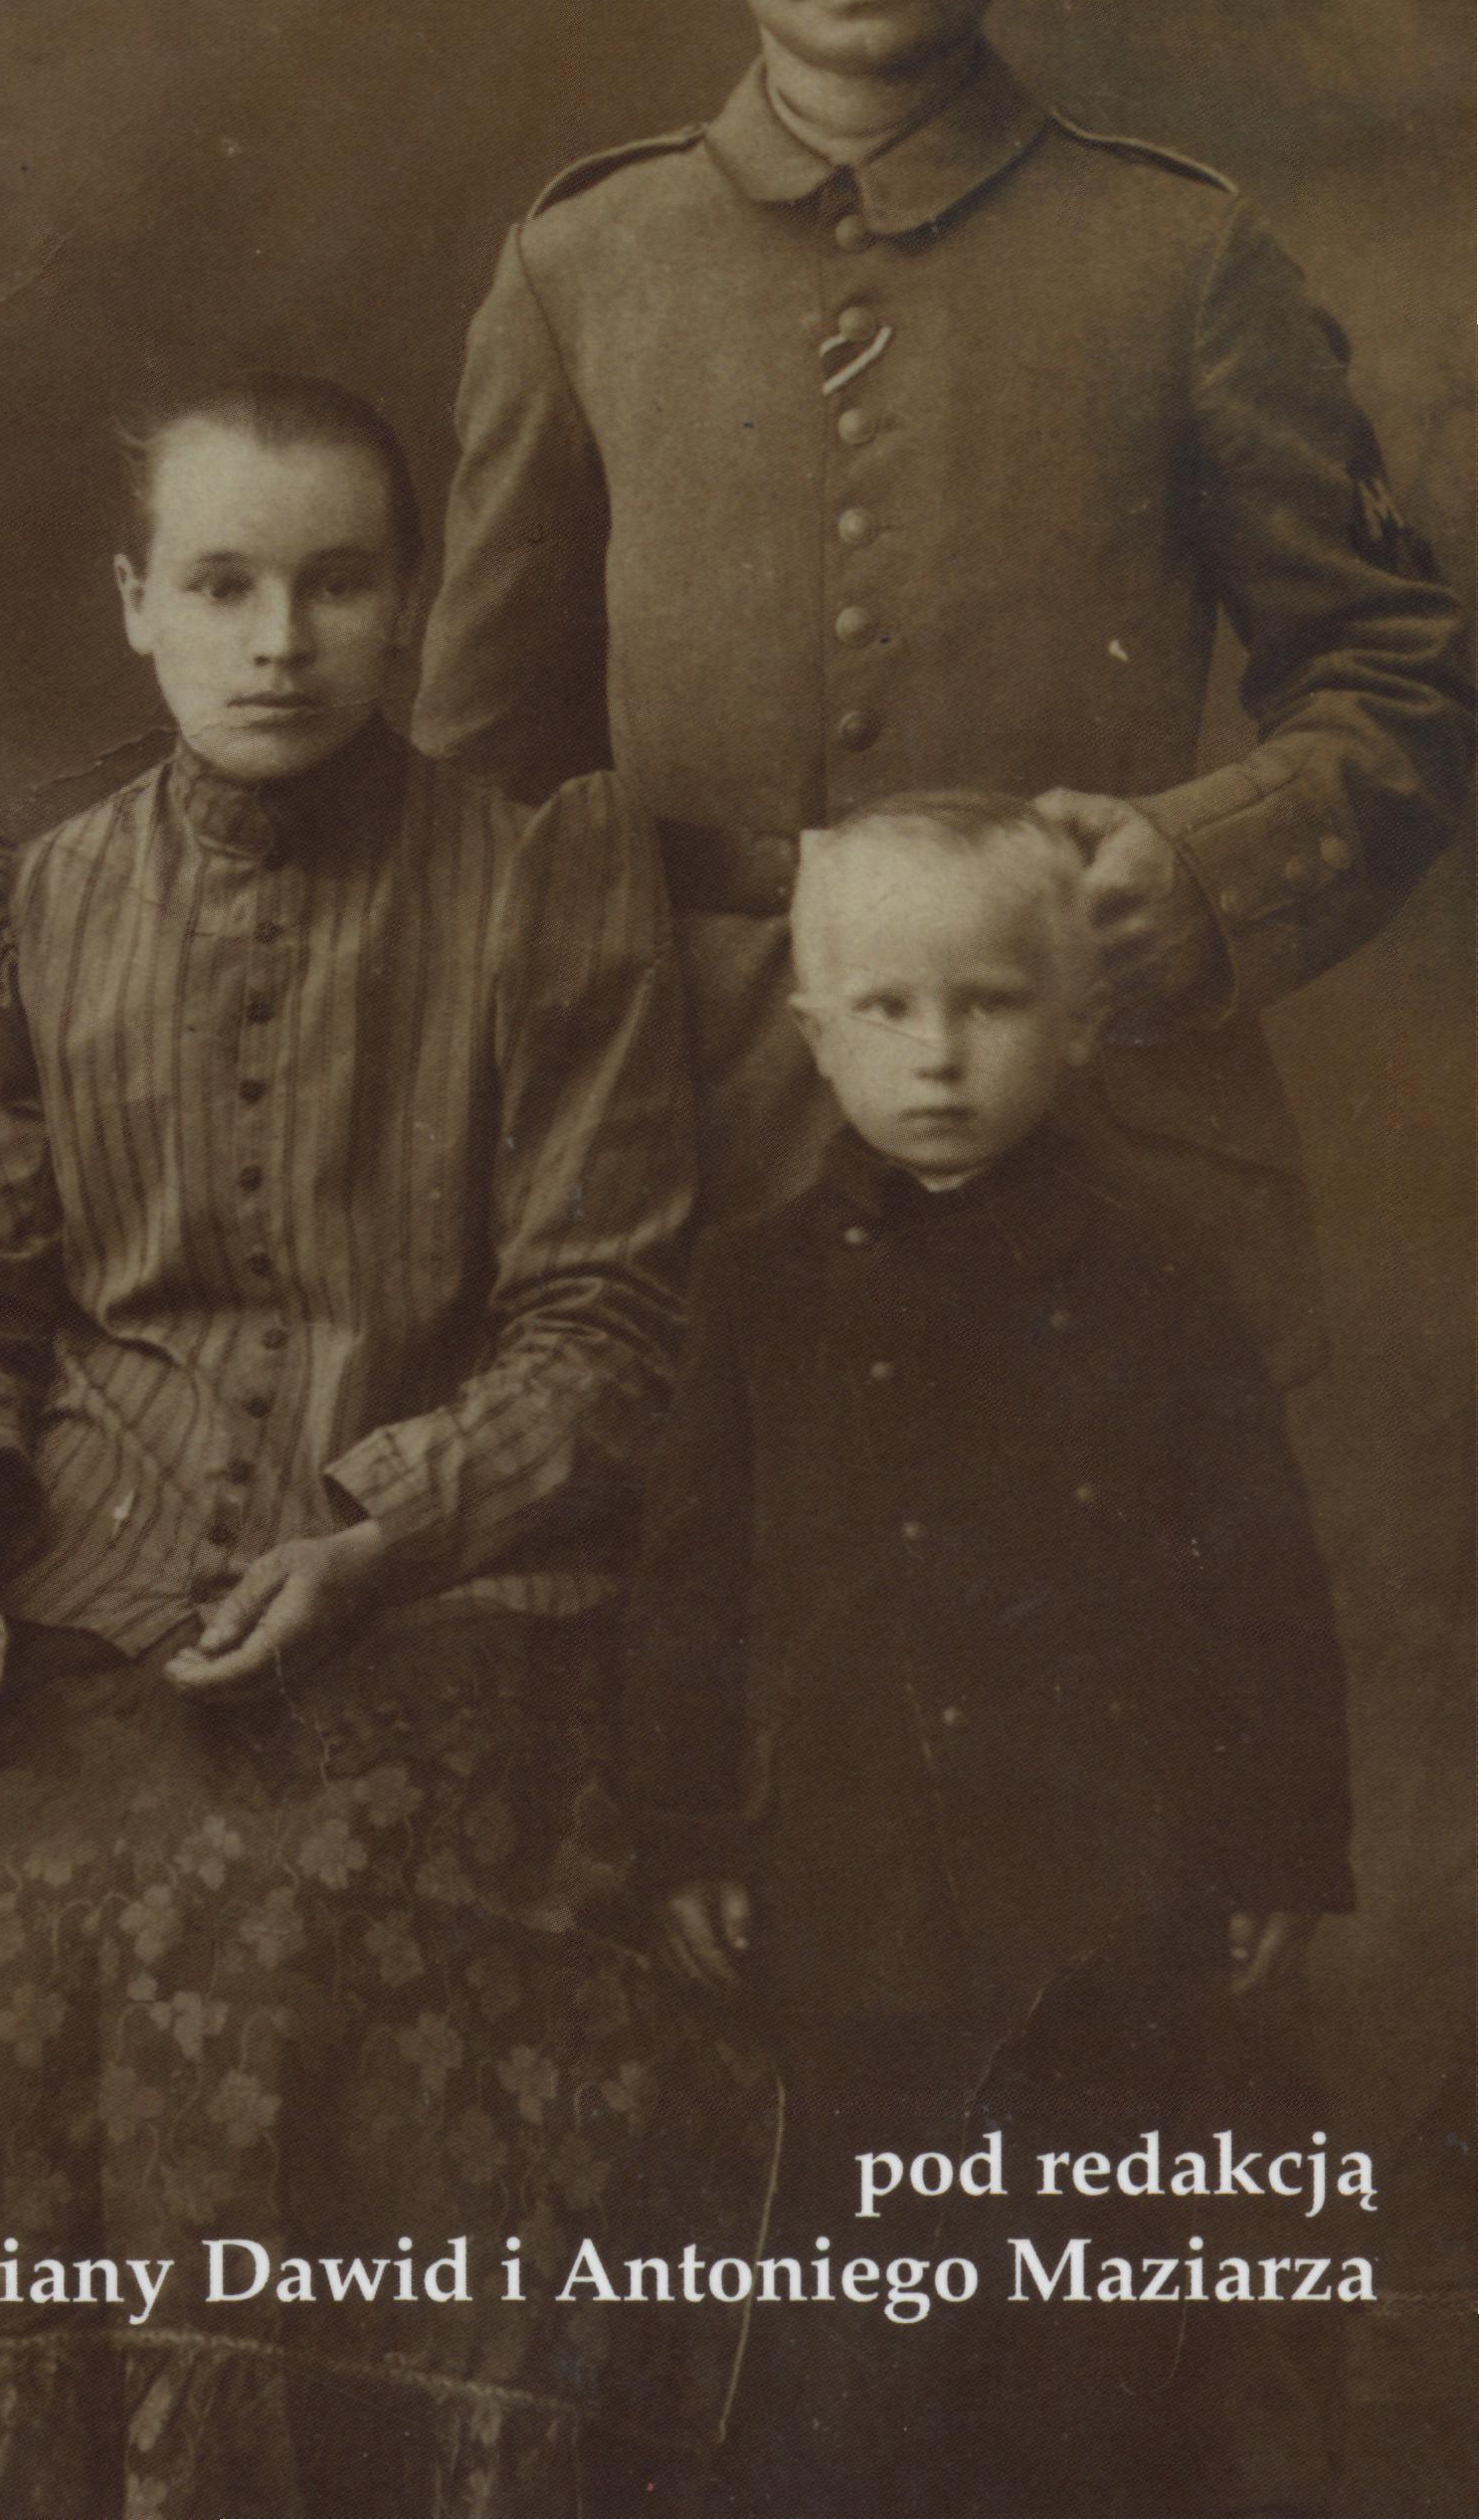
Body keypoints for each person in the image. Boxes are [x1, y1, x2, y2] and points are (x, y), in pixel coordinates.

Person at [0, 377, 763, 2520]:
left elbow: (604, 1327)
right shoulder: (22, 901)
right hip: (85, 1584)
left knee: (270, 1917)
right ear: (136, 603)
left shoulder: (542, 882)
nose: (279, 640)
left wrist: (370, 1538)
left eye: (337, 583)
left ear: (411, 604)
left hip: (443, 1583)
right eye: (221, 584)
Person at [411, 0, 1472, 1382]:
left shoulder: (1180, 260)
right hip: (681, 1156)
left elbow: (1404, 678)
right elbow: (479, 785)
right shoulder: (586, 265)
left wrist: (1196, 866)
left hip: (1104, 1137)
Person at [623, 793, 1356, 2518]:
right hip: (854, 1891)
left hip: (1105, 1899)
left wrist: (1277, 1848)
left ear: (1082, 1023)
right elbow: (692, 1586)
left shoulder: (1158, 1279)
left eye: (991, 1002)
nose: (938, 1053)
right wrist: (686, 1834)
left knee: (1094, 2334)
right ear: (816, 1034)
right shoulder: (759, 1289)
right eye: (886, 1007)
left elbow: (1260, 1581)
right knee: (863, 2335)